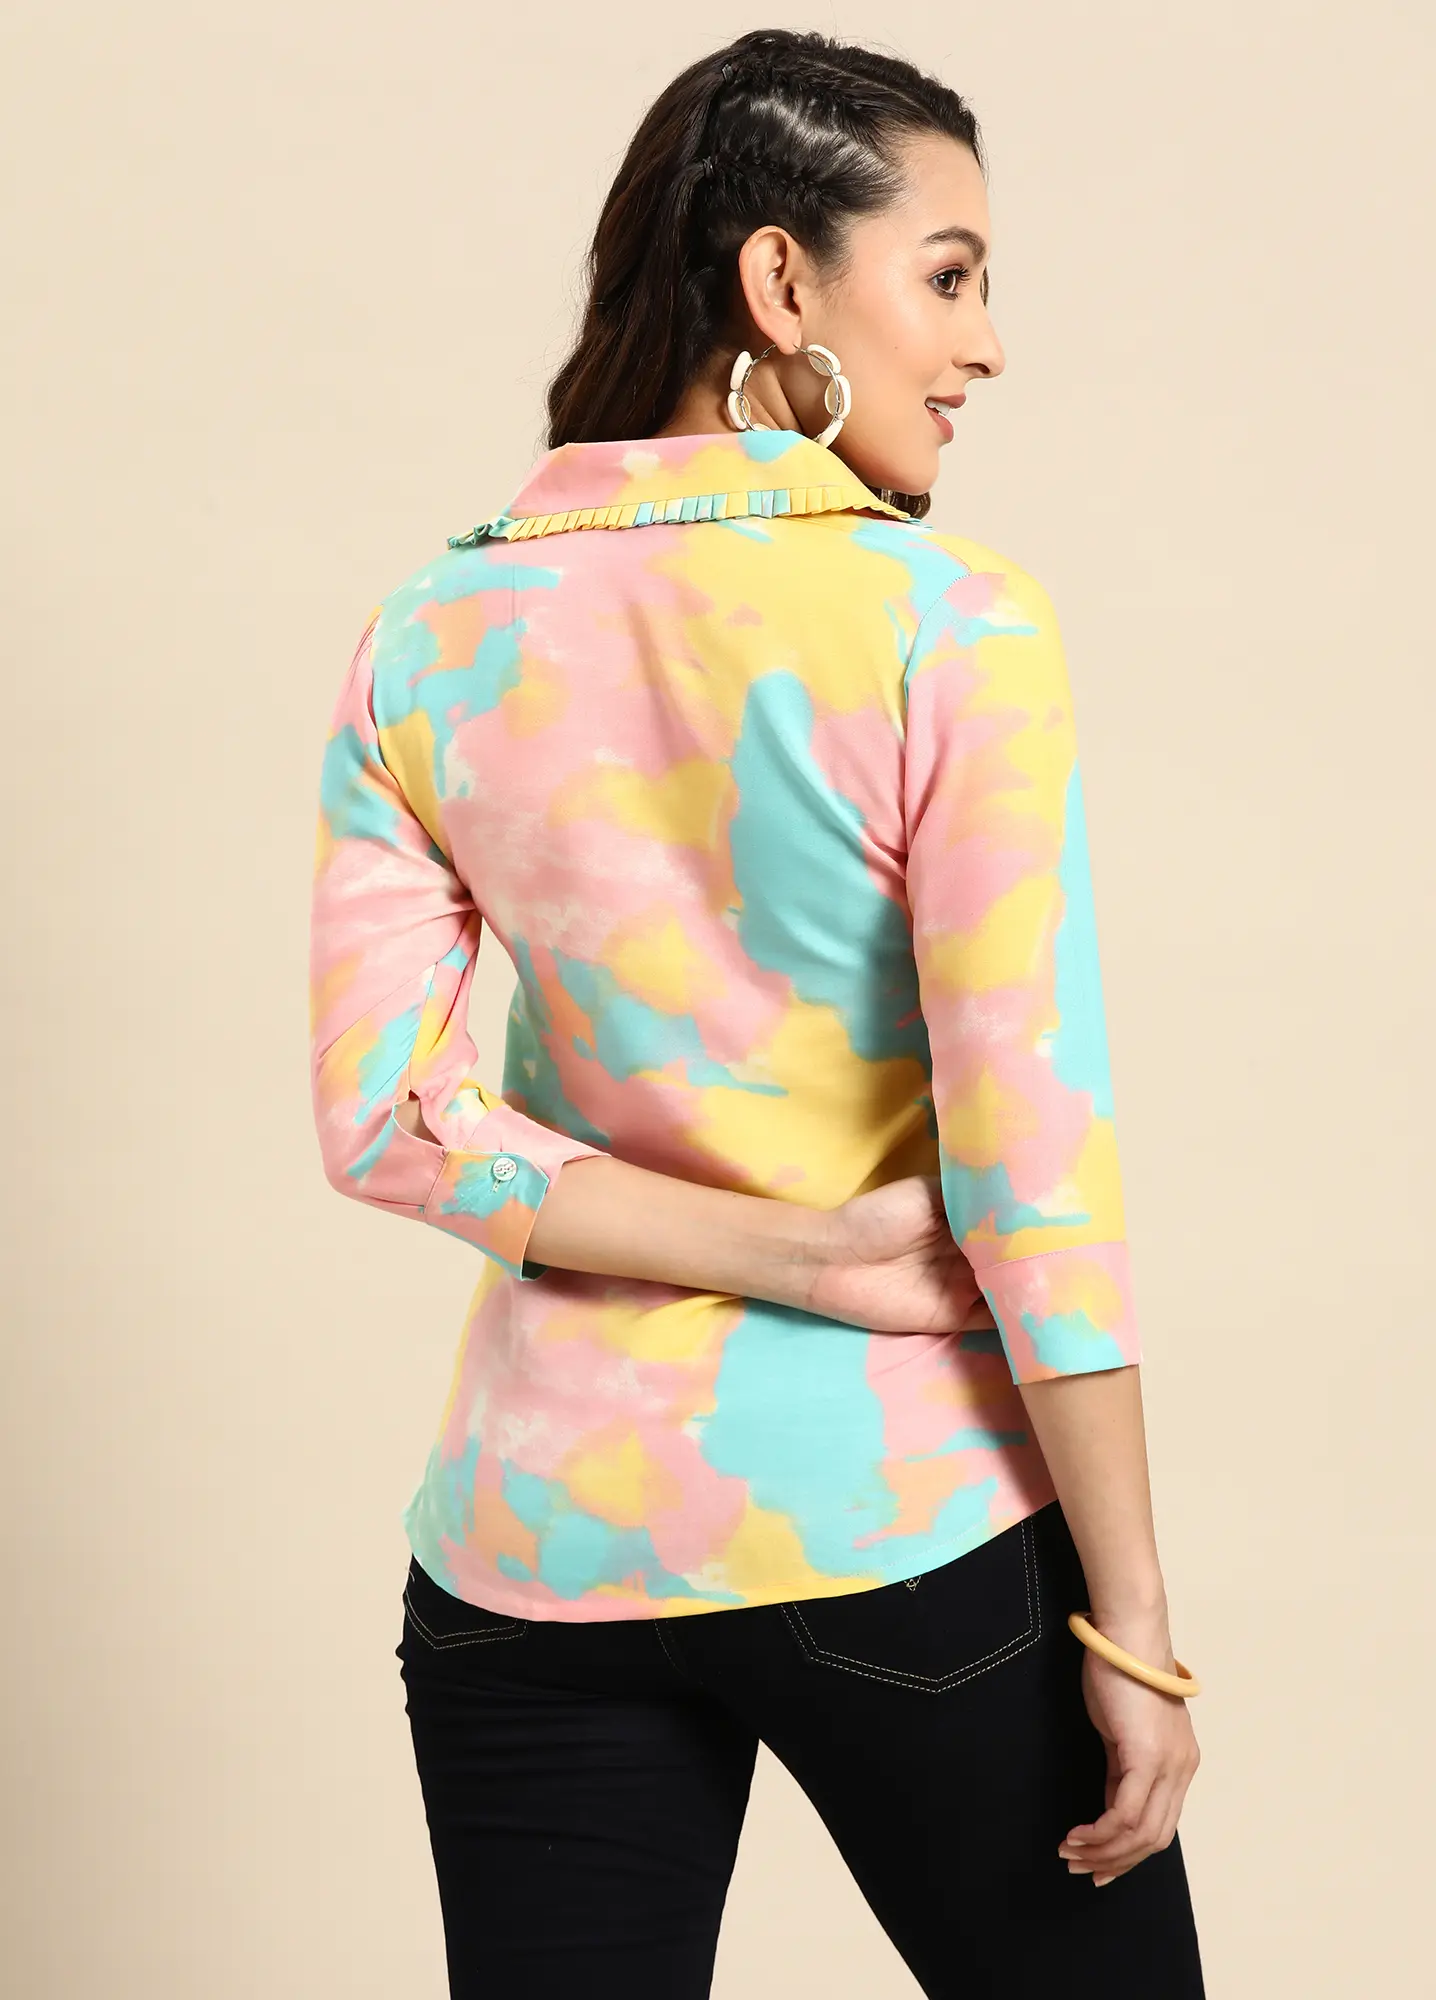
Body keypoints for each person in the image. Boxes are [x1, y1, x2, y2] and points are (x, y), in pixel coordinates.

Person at [308, 26, 1205, 1998]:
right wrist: (1134, 1625)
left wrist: (774, 1250)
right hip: (894, 1519)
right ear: (783, 282)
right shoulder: (948, 621)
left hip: (533, 1544)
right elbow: (1031, 1165)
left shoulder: (429, 631)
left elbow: (382, 1117)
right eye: (949, 276)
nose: (985, 346)